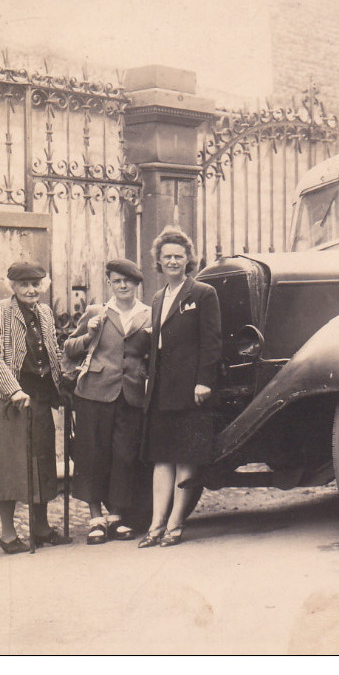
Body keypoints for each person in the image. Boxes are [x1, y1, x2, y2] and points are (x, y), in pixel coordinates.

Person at [0, 261, 74, 553]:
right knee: (7, 465)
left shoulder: (44, 312)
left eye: (36, 284)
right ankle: (8, 535)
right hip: (8, 399)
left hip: (40, 397)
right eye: (24, 285)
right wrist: (14, 390)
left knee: (42, 460)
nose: (31, 290)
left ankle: (41, 527)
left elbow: (54, 353)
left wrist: (65, 387)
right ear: (13, 287)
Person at [139, 227, 221, 548]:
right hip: (161, 390)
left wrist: (204, 381)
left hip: (190, 389)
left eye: (178, 256)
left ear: (188, 259)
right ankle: (156, 525)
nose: (173, 261)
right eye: (167, 257)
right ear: (158, 262)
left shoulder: (202, 293)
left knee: (185, 457)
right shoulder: (158, 298)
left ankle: (175, 524)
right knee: (162, 459)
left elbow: (211, 343)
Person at [63, 259, 151, 545]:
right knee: (92, 454)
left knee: (124, 455)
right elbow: (69, 349)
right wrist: (89, 334)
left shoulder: (150, 315)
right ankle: (95, 518)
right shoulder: (97, 312)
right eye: (117, 280)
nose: (123, 285)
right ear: (110, 283)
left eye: (128, 280)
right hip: (94, 393)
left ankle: (116, 516)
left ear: (137, 283)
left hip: (131, 393)